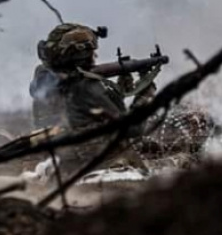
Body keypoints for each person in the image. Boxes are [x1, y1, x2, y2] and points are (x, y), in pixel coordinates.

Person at [28, 22, 160, 174]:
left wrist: (119, 85)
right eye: (92, 51)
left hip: (57, 159)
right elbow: (133, 128)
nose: (95, 56)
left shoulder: (44, 76)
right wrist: (146, 93)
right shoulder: (86, 86)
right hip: (98, 166)